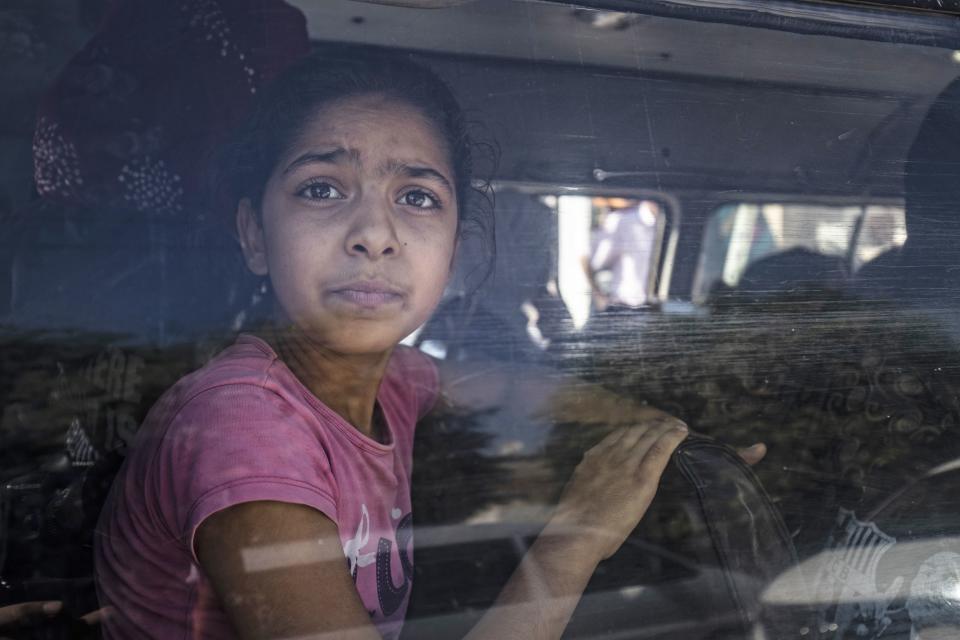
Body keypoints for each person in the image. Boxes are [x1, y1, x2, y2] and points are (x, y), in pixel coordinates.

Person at [92, 51, 760, 640]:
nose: (374, 234)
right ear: (255, 235)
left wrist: (666, 435)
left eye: (416, 197)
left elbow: (514, 387)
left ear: (454, 251)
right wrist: (575, 540)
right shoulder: (242, 425)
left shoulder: (387, 381)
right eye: (321, 189)